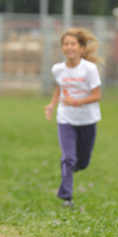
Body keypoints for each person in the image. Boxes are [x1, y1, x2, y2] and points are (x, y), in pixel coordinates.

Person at [44, 28, 102, 208]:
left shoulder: (90, 69)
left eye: (73, 44)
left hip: (87, 120)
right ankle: (66, 196)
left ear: (81, 48)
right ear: (62, 47)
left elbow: (97, 95)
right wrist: (52, 105)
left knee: (82, 163)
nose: (69, 47)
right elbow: (60, 88)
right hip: (66, 120)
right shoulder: (58, 69)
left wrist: (76, 101)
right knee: (69, 158)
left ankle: (68, 169)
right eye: (66, 44)